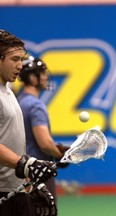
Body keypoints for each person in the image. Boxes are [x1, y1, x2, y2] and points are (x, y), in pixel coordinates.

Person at [0, 29, 57, 216]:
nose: (20, 65)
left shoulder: (8, 90)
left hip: (16, 189)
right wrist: (25, 164)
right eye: (14, 59)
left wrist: (29, 183)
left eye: (21, 59)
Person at [17, 55, 69, 202]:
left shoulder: (18, 101)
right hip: (39, 173)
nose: (46, 77)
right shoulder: (35, 105)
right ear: (33, 78)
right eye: (43, 73)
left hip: (22, 172)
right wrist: (60, 154)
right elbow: (45, 143)